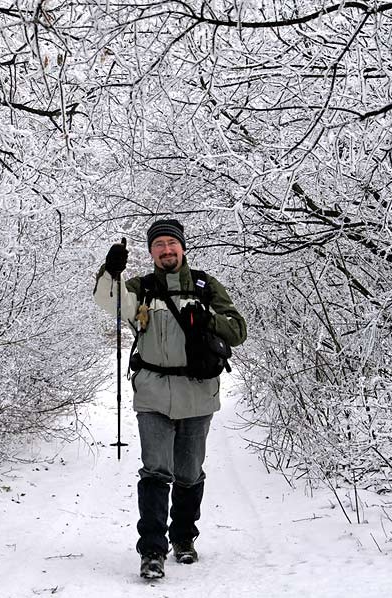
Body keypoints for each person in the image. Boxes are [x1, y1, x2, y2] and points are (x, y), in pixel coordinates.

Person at [92, 219, 248, 579]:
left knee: (189, 474)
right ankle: (152, 551)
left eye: (171, 244)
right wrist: (110, 270)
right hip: (152, 394)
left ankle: (183, 539)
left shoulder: (206, 286)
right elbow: (108, 301)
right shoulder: (141, 288)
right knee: (155, 472)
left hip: (198, 395)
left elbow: (238, 329)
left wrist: (207, 318)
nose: (166, 250)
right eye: (159, 245)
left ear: (182, 247)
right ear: (150, 252)